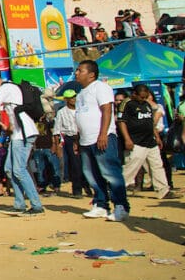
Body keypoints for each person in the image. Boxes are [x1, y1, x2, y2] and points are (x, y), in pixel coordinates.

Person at [0, 66, 45, 216]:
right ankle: (19, 204)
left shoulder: (6, 88)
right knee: (9, 169)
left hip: (23, 133)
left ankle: (36, 205)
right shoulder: (7, 88)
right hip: (17, 134)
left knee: (18, 169)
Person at [74, 60, 130, 222]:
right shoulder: (81, 93)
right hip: (86, 140)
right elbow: (80, 116)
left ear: (91, 74)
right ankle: (101, 205)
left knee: (110, 173)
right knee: (92, 174)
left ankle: (121, 206)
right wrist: (78, 139)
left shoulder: (100, 87)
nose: (77, 73)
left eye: (80, 70)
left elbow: (107, 110)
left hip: (101, 137)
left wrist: (103, 134)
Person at [118, 83, 171, 199]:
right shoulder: (126, 104)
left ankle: (163, 190)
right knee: (131, 167)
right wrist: (127, 139)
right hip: (136, 141)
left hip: (150, 141)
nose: (143, 99)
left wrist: (156, 136)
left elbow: (150, 122)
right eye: (141, 97)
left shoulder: (146, 104)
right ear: (134, 94)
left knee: (157, 165)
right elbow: (121, 122)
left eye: (145, 97)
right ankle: (117, 189)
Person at [54, 90, 88, 197]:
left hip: (84, 137)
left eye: (74, 97)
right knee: (75, 164)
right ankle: (77, 190)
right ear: (66, 99)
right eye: (71, 97)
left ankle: (87, 185)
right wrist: (57, 145)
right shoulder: (61, 112)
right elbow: (57, 130)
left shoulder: (82, 110)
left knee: (87, 163)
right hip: (70, 139)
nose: (73, 99)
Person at [30, 119, 62, 194]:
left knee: (54, 167)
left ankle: (56, 185)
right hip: (38, 148)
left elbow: (55, 134)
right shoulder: (33, 122)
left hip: (49, 147)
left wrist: (54, 145)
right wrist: (33, 147)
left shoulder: (49, 121)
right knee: (40, 168)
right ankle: (42, 185)